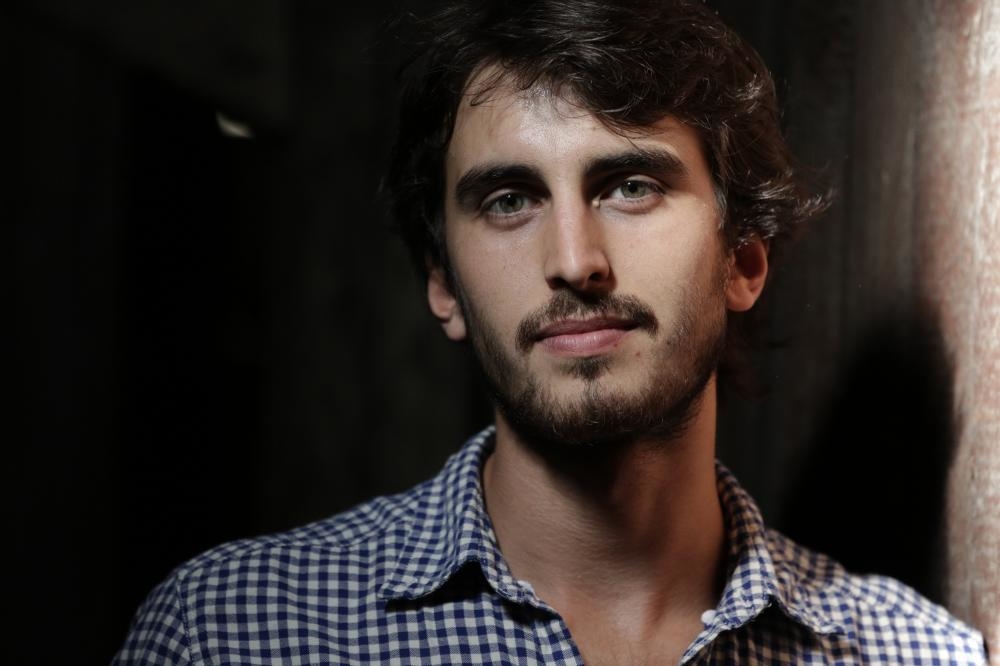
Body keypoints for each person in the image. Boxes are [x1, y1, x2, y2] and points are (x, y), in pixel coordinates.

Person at [115, 1, 988, 663]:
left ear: (744, 259)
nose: (574, 261)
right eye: (509, 200)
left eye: (631, 186)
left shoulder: (916, 655)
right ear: (442, 283)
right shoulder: (228, 633)